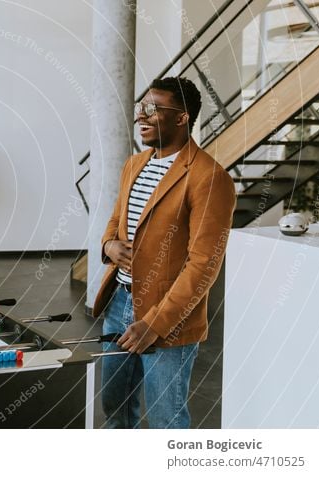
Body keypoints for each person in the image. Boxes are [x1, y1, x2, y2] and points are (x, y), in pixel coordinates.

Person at [92, 77, 236, 429]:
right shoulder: (134, 164)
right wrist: (109, 245)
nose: (141, 116)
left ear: (182, 118)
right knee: (116, 411)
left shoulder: (209, 177)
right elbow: (116, 220)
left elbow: (204, 265)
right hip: (119, 305)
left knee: (165, 420)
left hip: (168, 319)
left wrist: (154, 324)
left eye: (152, 109)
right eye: (140, 108)